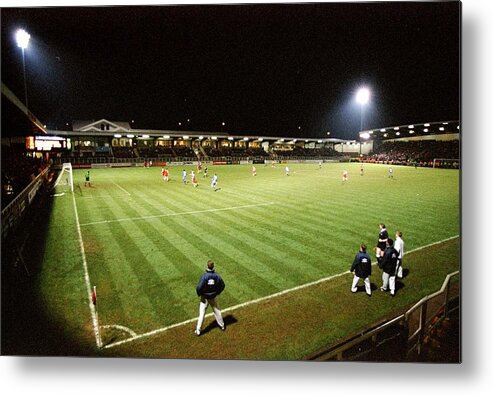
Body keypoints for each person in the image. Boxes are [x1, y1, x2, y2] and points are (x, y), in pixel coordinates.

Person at [195, 260, 226, 336]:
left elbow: (199, 288)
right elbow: (222, 285)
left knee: (201, 314)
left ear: (207, 266)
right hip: (213, 297)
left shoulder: (204, 276)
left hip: (204, 298)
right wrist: (217, 292)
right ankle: (222, 326)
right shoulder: (216, 275)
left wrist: (201, 294)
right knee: (217, 311)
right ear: (213, 266)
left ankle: (198, 330)